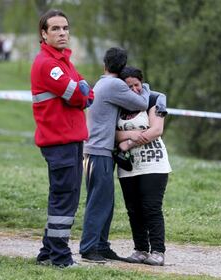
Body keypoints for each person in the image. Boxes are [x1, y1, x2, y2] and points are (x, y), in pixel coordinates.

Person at [30, 9, 94, 268]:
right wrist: (81, 92)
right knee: (64, 199)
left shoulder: (63, 61)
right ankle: (59, 257)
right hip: (60, 141)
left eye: (65, 28)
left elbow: (86, 93)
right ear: (43, 34)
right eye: (55, 29)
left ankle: (47, 253)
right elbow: (80, 95)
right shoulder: (48, 64)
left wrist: (82, 92)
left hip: (69, 139)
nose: (62, 33)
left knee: (65, 197)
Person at [80, 47, 156, 263]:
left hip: (96, 151)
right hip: (98, 152)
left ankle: (102, 246)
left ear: (105, 64)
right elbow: (142, 102)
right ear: (122, 68)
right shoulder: (114, 84)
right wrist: (146, 87)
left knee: (105, 201)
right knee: (99, 202)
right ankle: (88, 248)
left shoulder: (102, 83)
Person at [116, 66, 171, 266]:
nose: (134, 90)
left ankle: (158, 251)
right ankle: (140, 249)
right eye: (128, 86)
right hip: (128, 166)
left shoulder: (154, 99)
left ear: (142, 82)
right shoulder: (117, 104)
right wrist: (133, 135)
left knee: (151, 208)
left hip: (153, 163)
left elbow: (156, 130)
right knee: (133, 209)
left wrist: (128, 142)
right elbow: (112, 134)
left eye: (136, 85)